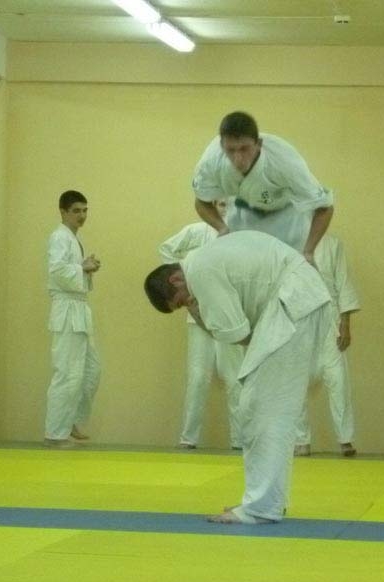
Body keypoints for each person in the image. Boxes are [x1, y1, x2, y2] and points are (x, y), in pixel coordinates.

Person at [144, 230, 333, 524]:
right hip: (298, 301)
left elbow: (237, 334)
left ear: (176, 280)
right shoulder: (204, 261)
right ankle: (267, 502)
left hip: (293, 304)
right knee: (265, 408)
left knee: (263, 408)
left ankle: (261, 507)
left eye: (180, 302)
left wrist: (198, 314)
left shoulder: (200, 271)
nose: (188, 304)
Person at [158, 199, 244, 450]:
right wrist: (186, 280)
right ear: (212, 205)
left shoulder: (241, 234)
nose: (224, 209)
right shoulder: (195, 231)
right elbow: (166, 249)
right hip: (198, 315)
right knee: (197, 378)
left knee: (234, 378)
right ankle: (188, 438)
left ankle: (240, 440)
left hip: (228, 314)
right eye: (220, 204)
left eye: (228, 204)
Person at [191, 110, 333, 259]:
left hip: (286, 218)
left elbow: (325, 208)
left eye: (244, 149)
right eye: (231, 150)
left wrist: (309, 251)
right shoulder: (211, 161)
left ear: (259, 144)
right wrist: (221, 228)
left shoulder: (285, 161)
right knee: (241, 267)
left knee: (285, 268)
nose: (238, 159)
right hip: (243, 215)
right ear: (222, 146)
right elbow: (201, 201)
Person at [294, 233, 360, 457]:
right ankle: (301, 440)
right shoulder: (287, 241)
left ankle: (345, 439)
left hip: (329, 318)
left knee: (338, 380)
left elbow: (343, 283)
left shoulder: (333, 245)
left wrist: (346, 324)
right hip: (297, 319)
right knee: (296, 382)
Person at [44, 190, 102, 448]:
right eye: (76, 210)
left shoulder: (74, 239)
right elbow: (56, 271)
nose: (82, 215)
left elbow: (71, 271)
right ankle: (54, 434)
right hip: (66, 310)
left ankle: (72, 421)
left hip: (79, 309)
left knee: (91, 372)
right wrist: (82, 268)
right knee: (67, 373)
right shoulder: (59, 237)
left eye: (85, 210)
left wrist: (85, 265)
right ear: (63, 212)